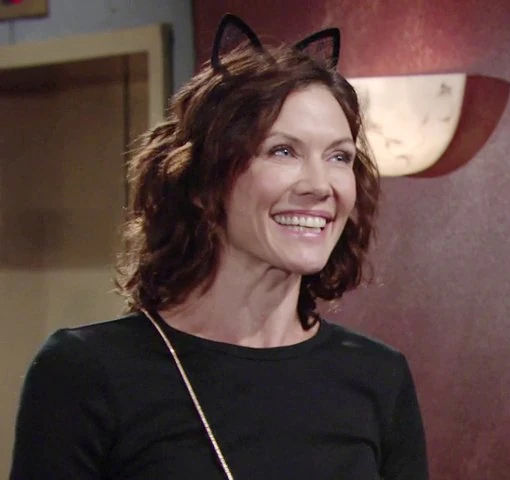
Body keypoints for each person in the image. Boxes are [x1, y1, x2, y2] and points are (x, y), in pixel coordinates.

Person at [10, 14, 428, 480]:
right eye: (283, 151)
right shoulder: (85, 372)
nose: (319, 184)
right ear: (205, 178)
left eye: (339, 156)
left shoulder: (378, 375)